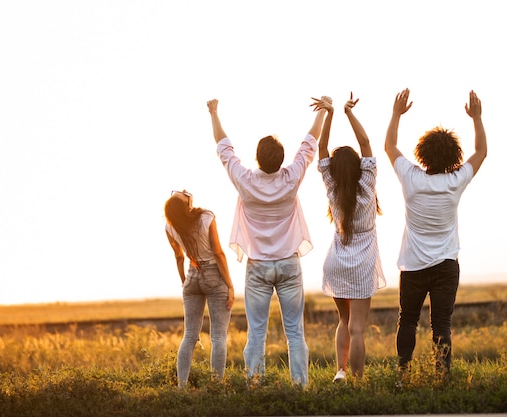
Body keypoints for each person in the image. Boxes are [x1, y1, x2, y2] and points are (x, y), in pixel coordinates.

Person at [206, 97, 330, 386]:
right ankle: (300, 387)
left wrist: (214, 112)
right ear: (281, 159)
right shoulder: (291, 177)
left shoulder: (245, 180)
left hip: (258, 266)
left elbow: (224, 147)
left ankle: (255, 384)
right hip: (289, 263)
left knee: (256, 332)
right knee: (295, 332)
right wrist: (323, 112)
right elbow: (309, 145)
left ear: (257, 158)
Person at [384, 89, 487, 375]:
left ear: (422, 154)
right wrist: (477, 119)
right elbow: (481, 152)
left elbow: (390, 146)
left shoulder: (410, 177)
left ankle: (403, 374)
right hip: (446, 266)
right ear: (454, 156)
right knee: (441, 325)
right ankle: (442, 377)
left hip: (413, 266)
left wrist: (396, 114)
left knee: (407, 321)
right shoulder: (456, 181)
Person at [314, 93, 386, 382]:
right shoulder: (367, 185)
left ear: (333, 170)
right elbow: (366, 144)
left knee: (343, 320)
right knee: (357, 327)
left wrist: (329, 114)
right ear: (358, 166)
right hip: (361, 266)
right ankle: (356, 381)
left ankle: (340, 372)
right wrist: (347, 112)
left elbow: (321, 146)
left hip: (337, 262)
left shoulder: (332, 188)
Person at [164, 190, 235, 388]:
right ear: (185, 205)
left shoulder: (170, 226)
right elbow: (218, 253)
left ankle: (181, 387)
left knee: (189, 336)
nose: (186, 194)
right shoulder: (206, 217)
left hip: (192, 275)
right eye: (183, 195)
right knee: (219, 336)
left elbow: (179, 257)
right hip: (214, 274)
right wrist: (230, 285)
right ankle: (216, 386)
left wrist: (185, 282)